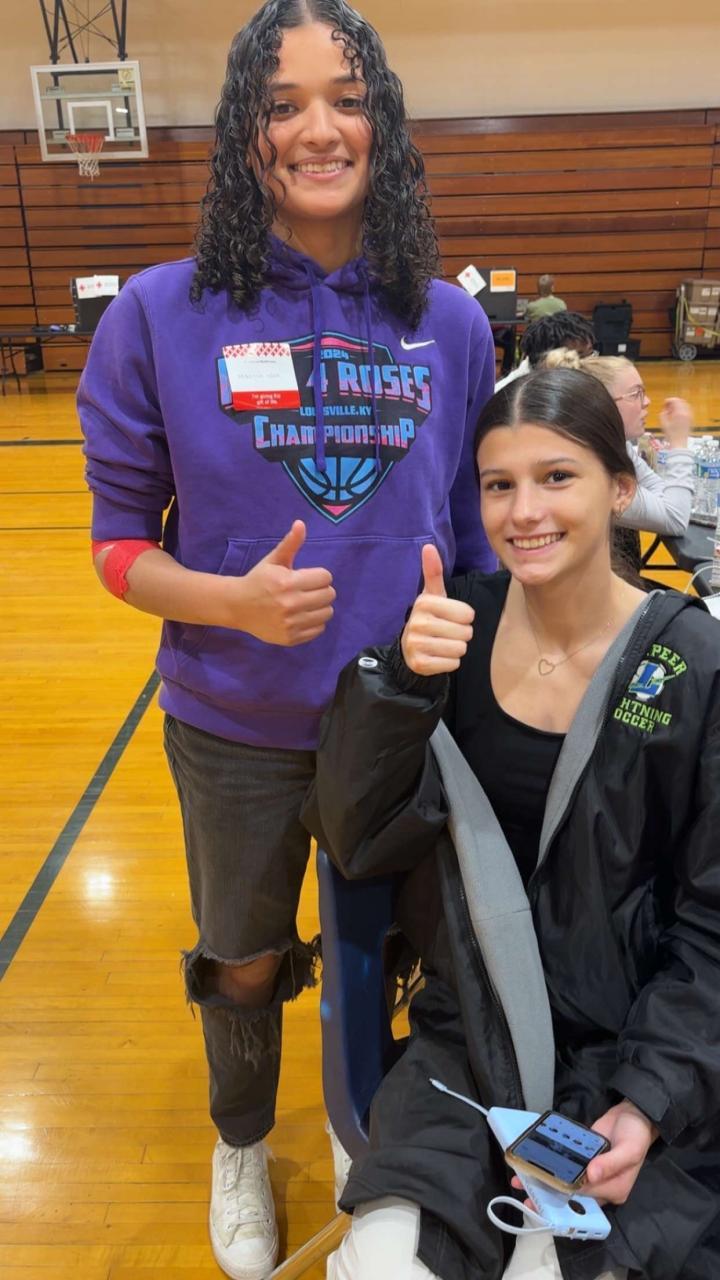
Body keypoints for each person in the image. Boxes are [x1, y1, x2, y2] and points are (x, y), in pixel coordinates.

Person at [78, 2, 496, 1275]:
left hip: (405, 721)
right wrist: (231, 602)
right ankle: (243, 1137)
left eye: (348, 99)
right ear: (244, 134)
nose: (320, 129)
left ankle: (392, 1155)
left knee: (413, 955)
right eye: (284, 103)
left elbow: (476, 536)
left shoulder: (449, 320)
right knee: (245, 958)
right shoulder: (159, 312)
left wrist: (472, 635)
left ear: (385, 124)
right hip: (237, 723)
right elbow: (117, 545)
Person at [305, 367, 720, 1280]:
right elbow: (353, 837)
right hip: (470, 1040)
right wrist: (397, 690)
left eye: (557, 477)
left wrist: (648, 1101)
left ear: (621, 487)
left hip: (638, 1051)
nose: (524, 511)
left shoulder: (695, 666)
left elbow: (713, 925)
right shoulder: (450, 635)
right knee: (383, 1264)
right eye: (499, 484)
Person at [543, 349, 695, 574]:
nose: (647, 402)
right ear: (603, 405)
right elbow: (675, 518)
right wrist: (679, 443)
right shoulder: (597, 467)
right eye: (636, 394)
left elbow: (659, 491)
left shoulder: (614, 444)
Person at [495, 310, 594, 392]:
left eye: (591, 354)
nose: (591, 363)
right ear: (546, 360)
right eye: (580, 357)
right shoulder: (510, 398)